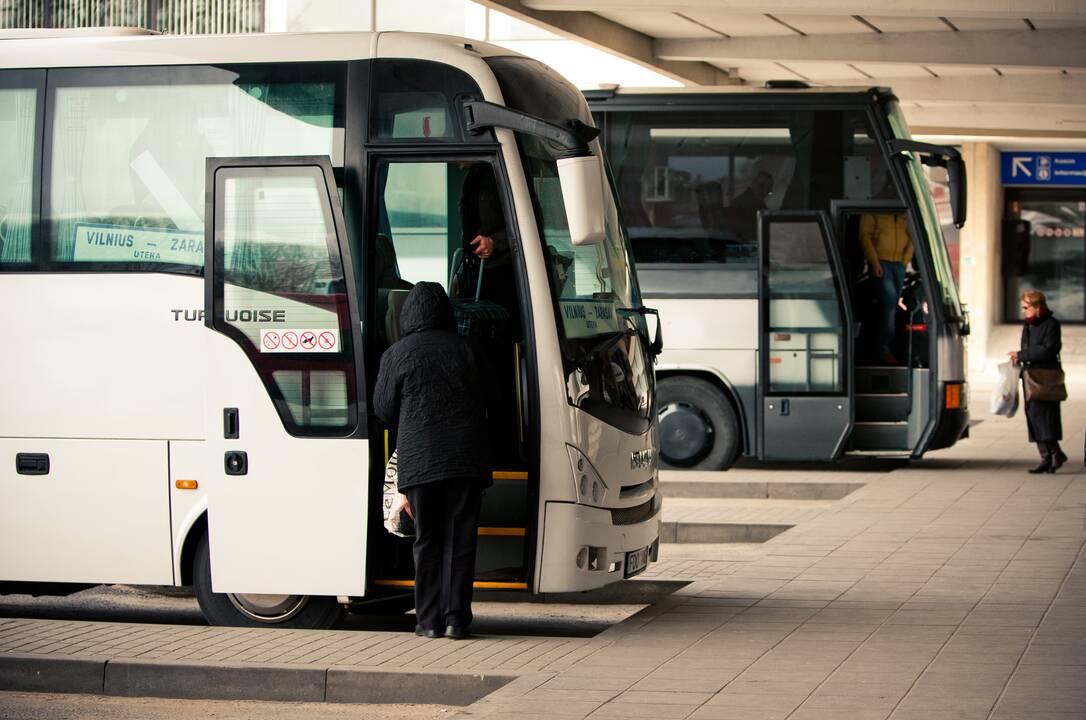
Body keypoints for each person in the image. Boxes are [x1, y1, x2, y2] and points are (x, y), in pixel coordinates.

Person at [373, 282, 493, 639]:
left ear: (408, 314)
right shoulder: (469, 349)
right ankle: (457, 620)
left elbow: (383, 409)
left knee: (426, 541)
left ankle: (427, 622)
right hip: (466, 460)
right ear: (445, 312)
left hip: (421, 461)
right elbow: (493, 397)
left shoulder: (397, 353)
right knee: (461, 541)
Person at [1009, 290, 1067, 474]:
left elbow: (1049, 349)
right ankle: (1048, 456)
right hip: (1030, 376)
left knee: (1045, 417)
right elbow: (1028, 348)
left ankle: (1054, 455)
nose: (1023, 311)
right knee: (1033, 416)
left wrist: (1022, 355)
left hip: (1045, 378)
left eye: (1026, 307)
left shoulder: (1051, 324)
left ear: (1037, 307)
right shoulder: (1028, 325)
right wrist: (1019, 359)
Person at [860, 212, 912, 365]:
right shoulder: (875, 209)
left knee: (892, 307)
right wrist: (874, 262)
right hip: (881, 263)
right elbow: (864, 236)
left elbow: (912, 237)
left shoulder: (904, 212)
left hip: (899, 265)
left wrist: (904, 261)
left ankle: (883, 346)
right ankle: (882, 349)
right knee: (889, 305)